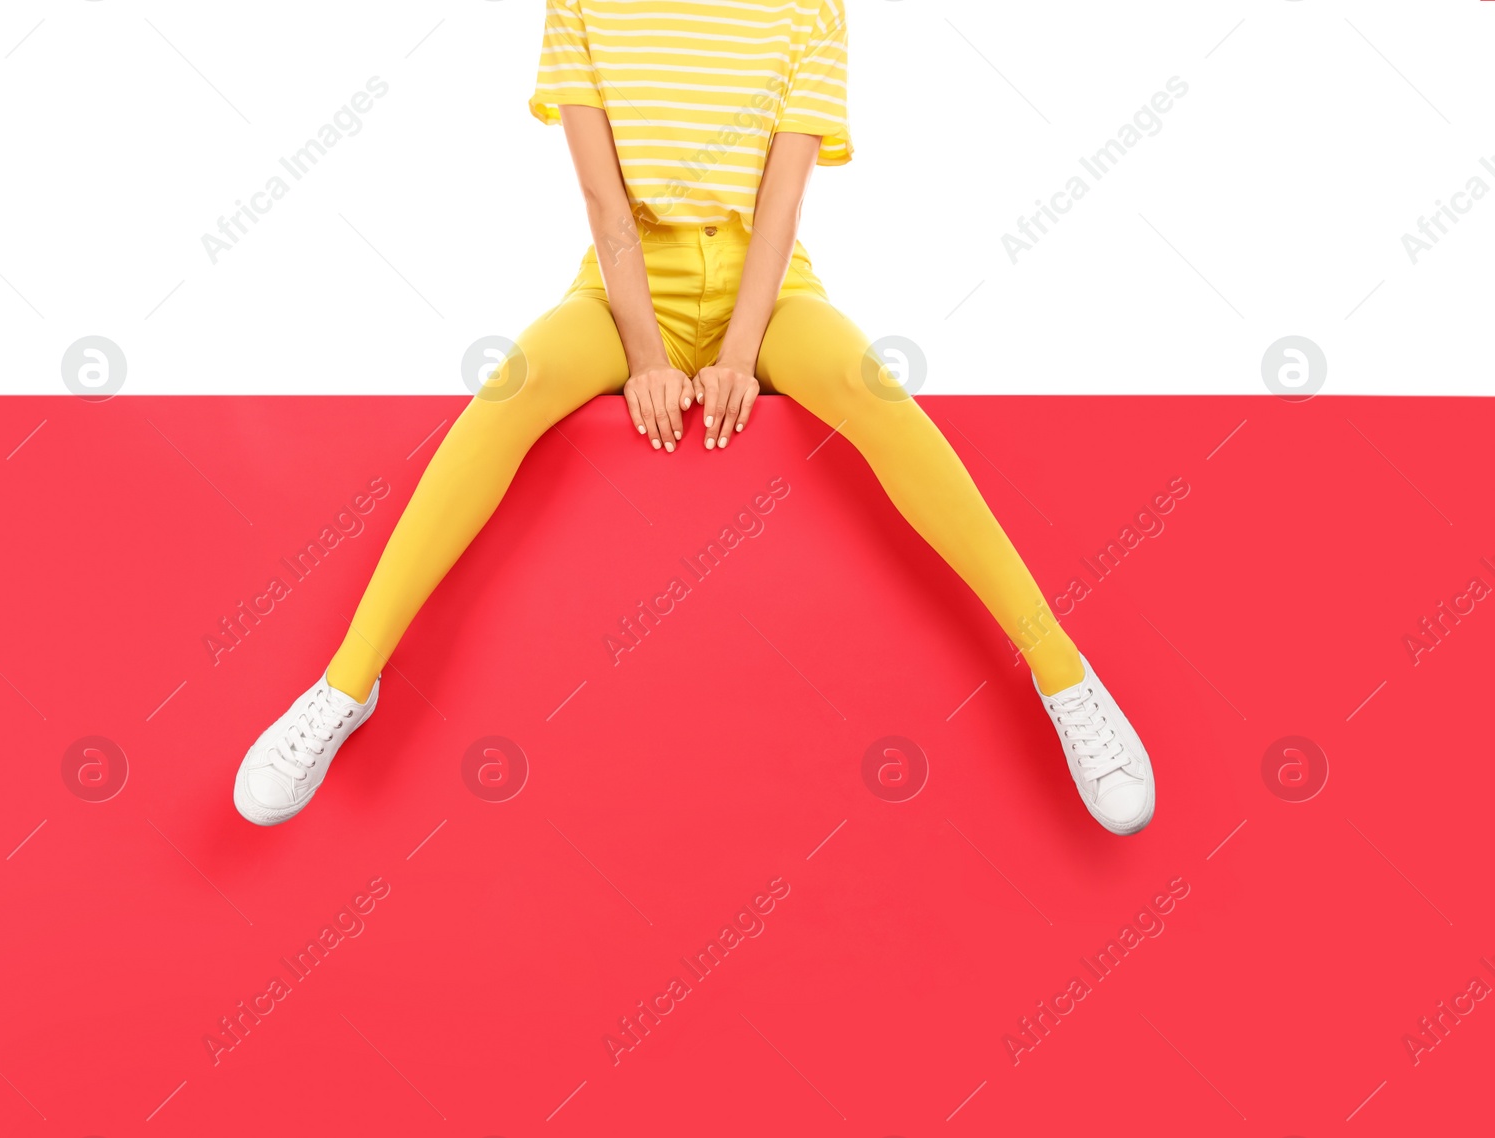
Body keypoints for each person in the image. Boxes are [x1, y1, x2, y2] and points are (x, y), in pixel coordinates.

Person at [233, 0, 1156, 834]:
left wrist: (740, 353)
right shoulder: (583, 5)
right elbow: (605, 201)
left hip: (766, 286)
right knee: (510, 390)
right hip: (630, 288)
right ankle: (344, 687)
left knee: (875, 394)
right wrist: (643, 354)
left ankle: (1064, 678)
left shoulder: (809, 10)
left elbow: (781, 201)